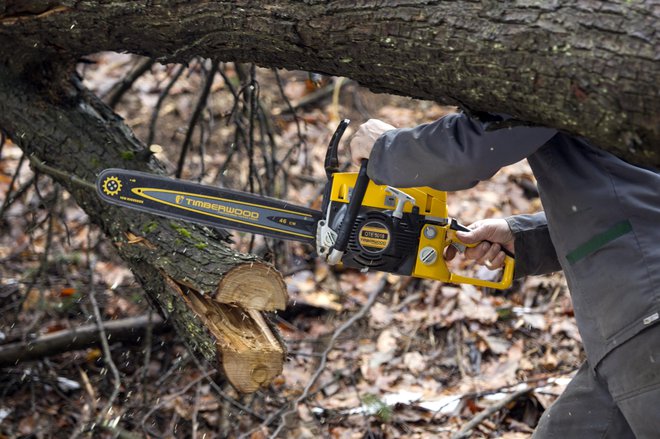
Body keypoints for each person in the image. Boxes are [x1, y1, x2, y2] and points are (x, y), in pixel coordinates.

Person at [349, 113, 660, 438]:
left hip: (644, 316)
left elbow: (477, 147)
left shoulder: (568, 67)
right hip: (627, 328)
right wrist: (524, 237)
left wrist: (387, 149)